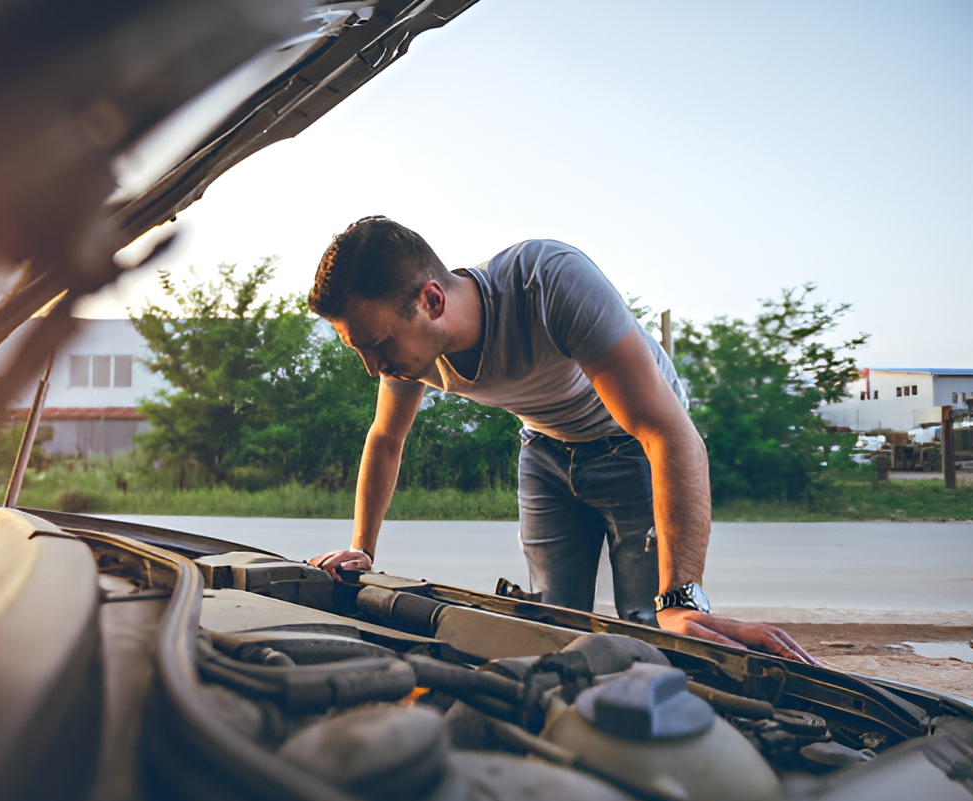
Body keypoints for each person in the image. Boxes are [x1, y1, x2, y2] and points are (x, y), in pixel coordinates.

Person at [307, 216, 817, 664]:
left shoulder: (549, 281)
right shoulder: (406, 350)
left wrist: (682, 598)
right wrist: (362, 550)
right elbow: (386, 438)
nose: (372, 366)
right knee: (552, 626)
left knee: (650, 628)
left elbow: (669, 432)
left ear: (432, 300)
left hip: (632, 446)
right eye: (360, 349)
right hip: (546, 453)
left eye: (376, 345)